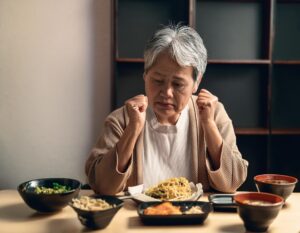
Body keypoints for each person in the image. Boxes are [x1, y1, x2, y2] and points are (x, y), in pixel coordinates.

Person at [85, 24, 248, 195]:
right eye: (157, 80)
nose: (167, 93)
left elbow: (232, 183)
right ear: (145, 75)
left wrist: (208, 124)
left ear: (196, 82)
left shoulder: (213, 114)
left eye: (178, 84)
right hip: (138, 218)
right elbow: (101, 186)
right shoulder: (123, 119)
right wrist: (132, 130)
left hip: (194, 217)